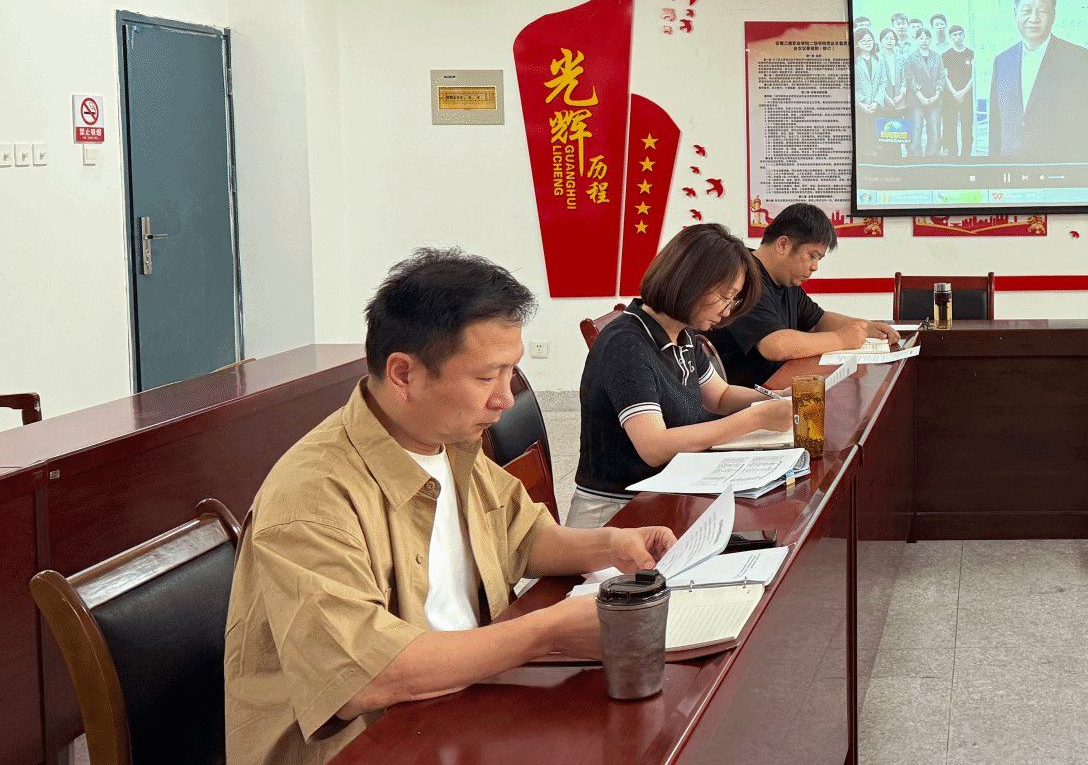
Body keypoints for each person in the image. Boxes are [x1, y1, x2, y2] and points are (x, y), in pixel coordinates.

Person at [224, 249, 682, 764]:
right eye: (488, 377)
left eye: (512, 372)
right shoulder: (311, 497)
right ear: (403, 374)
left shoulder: (448, 442)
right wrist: (547, 633)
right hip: (373, 742)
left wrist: (611, 545)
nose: (505, 398)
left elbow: (522, 534)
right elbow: (369, 676)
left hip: (458, 704)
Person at [567, 224, 795, 528]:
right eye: (725, 297)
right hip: (617, 514)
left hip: (664, 496)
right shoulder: (627, 343)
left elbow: (720, 396)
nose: (727, 312)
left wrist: (778, 397)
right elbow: (654, 447)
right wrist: (755, 418)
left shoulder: (683, 335)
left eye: (733, 301)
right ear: (691, 281)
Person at [713, 203, 900, 387]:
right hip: (746, 394)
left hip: (778, 382)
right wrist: (842, 339)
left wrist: (865, 327)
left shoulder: (786, 279)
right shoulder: (745, 277)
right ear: (783, 244)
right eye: (812, 256)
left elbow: (818, 321)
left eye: (819, 259)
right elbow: (776, 345)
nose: (815, 267)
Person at [987, 0, 1088, 159]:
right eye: (1026, 11)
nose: (1033, 18)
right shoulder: (1002, 61)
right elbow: (996, 124)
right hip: (1012, 166)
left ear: (1053, 16)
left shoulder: (1078, 58)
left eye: (1041, 11)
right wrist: (993, 169)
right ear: (1015, 13)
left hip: (1060, 166)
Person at [903, 27, 945, 158]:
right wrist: (921, 97)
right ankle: (915, 159)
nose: (924, 40)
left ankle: (931, 159)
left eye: (927, 38)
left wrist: (937, 94)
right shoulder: (911, 57)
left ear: (931, 39)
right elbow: (910, 79)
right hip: (916, 100)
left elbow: (941, 77)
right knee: (916, 130)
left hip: (934, 99)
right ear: (916, 39)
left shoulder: (937, 57)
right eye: (921, 38)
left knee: (935, 130)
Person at [852, 27, 888, 160]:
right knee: (864, 140)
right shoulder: (853, 60)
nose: (867, 43)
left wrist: (876, 102)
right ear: (857, 43)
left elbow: (883, 83)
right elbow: (851, 84)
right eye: (863, 40)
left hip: (876, 106)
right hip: (860, 107)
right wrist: (861, 103)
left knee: (877, 140)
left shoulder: (879, 59)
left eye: (870, 40)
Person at [941, 24, 974, 157]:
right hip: (950, 96)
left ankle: (966, 156)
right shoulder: (946, 55)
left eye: (960, 34)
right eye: (955, 35)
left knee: (967, 127)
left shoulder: (971, 54)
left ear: (964, 35)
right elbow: (945, 77)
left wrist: (963, 92)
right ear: (950, 37)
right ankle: (953, 155)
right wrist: (954, 93)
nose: (958, 37)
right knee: (950, 126)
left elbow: (974, 77)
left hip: (968, 95)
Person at [876, 28, 907, 158]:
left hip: (898, 97)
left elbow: (905, 78)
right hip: (884, 97)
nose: (889, 41)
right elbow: (877, 81)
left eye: (892, 38)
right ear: (881, 41)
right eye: (886, 38)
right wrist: (886, 97)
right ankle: (886, 159)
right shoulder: (877, 57)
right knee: (885, 130)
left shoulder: (900, 57)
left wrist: (901, 94)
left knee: (897, 130)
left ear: (896, 41)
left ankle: (897, 159)